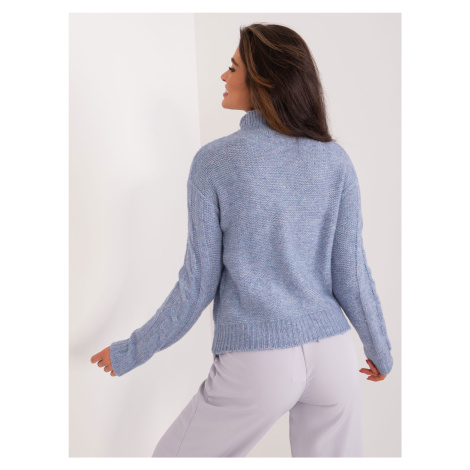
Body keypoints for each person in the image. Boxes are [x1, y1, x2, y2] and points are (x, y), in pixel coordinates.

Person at [90, 22, 393, 457]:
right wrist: (380, 348)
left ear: (264, 80)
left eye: (233, 68)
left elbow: (196, 287)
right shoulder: (335, 160)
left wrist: (131, 351)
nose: (224, 76)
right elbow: (352, 274)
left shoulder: (215, 162)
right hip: (334, 358)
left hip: (260, 357)